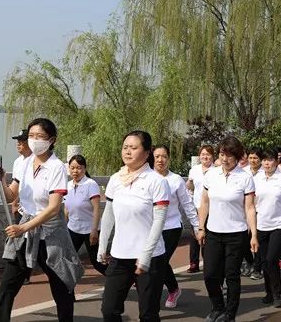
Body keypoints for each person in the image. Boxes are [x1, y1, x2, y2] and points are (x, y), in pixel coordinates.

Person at [0, 118, 83, 322]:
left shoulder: (57, 167)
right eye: (31, 136)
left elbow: (54, 207)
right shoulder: (23, 163)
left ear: (52, 140)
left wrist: (23, 227)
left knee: (61, 286)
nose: (34, 140)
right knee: (7, 286)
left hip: (50, 233)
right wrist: (1, 179)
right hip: (26, 232)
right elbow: (10, 196)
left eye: (39, 136)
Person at [98, 131, 170, 322]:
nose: (128, 151)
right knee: (109, 310)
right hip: (120, 255)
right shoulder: (116, 178)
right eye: (125, 147)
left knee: (148, 314)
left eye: (134, 148)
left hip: (150, 257)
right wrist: (102, 245)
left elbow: (159, 221)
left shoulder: (157, 181)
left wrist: (146, 255)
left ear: (147, 153)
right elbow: (109, 214)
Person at [197, 135, 258, 322]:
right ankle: (217, 307)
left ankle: (230, 314)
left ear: (237, 157)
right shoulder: (211, 175)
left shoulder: (245, 178)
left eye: (229, 155)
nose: (225, 159)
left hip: (236, 234)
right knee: (210, 275)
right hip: (213, 233)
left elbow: (250, 208)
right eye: (222, 154)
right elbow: (204, 203)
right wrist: (201, 228)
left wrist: (254, 234)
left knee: (231, 275)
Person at [152, 144, 200, 309]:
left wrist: (197, 226)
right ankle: (173, 289)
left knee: (160, 261)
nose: (160, 160)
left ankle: (158, 297)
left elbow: (187, 204)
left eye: (164, 156)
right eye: (157, 156)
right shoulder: (146, 178)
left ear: (169, 159)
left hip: (171, 227)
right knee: (155, 262)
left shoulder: (175, 179)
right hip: (150, 228)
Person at [252, 150, 281, 309]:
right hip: (261, 225)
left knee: (272, 259)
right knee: (265, 261)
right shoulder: (256, 179)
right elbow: (250, 204)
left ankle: (277, 294)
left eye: (270, 160)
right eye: (264, 160)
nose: (266, 163)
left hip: (279, 224)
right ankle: (269, 293)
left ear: (276, 162)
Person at [64, 154, 107, 275]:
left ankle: (117, 280)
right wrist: (63, 227)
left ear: (85, 168)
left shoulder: (90, 184)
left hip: (90, 229)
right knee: (67, 257)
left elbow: (96, 208)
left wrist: (94, 231)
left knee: (97, 262)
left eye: (79, 168)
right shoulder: (68, 185)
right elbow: (66, 209)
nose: (75, 171)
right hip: (73, 228)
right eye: (72, 168)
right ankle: (67, 282)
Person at [187, 144, 216, 273]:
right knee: (194, 235)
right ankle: (193, 263)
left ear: (213, 156)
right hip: (196, 206)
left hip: (211, 208)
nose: (205, 157)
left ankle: (207, 262)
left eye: (208, 154)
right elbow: (190, 185)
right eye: (203, 154)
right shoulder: (194, 170)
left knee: (207, 237)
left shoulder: (217, 170)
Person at [242, 146, 264, 280]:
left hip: (261, 210)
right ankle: (250, 261)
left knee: (257, 239)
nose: (252, 160)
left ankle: (257, 268)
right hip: (245, 210)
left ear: (261, 159)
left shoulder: (265, 172)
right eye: (250, 157)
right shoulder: (243, 172)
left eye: (255, 158)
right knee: (244, 240)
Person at [10, 129, 31, 223]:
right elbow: (15, 185)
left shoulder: (36, 161)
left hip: (32, 210)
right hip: (20, 208)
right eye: (18, 141)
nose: (18, 144)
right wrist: (14, 204)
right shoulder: (17, 162)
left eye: (22, 141)